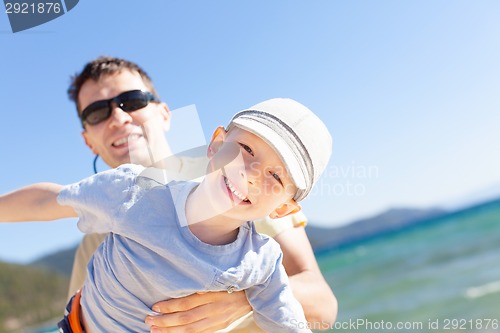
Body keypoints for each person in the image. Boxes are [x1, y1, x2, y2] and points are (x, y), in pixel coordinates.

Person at [0, 97, 332, 333]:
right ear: (216, 144)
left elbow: (288, 322)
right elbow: (49, 200)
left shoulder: (262, 261)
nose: (252, 173)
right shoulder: (134, 192)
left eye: (276, 177)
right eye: (246, 149)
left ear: (283, 208)